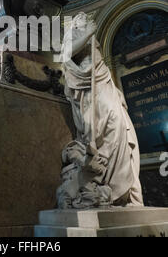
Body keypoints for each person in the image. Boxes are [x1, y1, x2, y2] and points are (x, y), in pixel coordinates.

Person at [58, 12, 143, 209]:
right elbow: (65, 55)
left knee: (120, 124)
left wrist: (116, 89)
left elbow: (100, 62)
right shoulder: (73, 33)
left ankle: (120, 186)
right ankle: (108, 184)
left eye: (86, 19)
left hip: (104, 81)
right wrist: (87, 33)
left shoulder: (91, 35)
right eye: (81, 19)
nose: (85, 20)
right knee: (105, 130)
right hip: (87, 88)